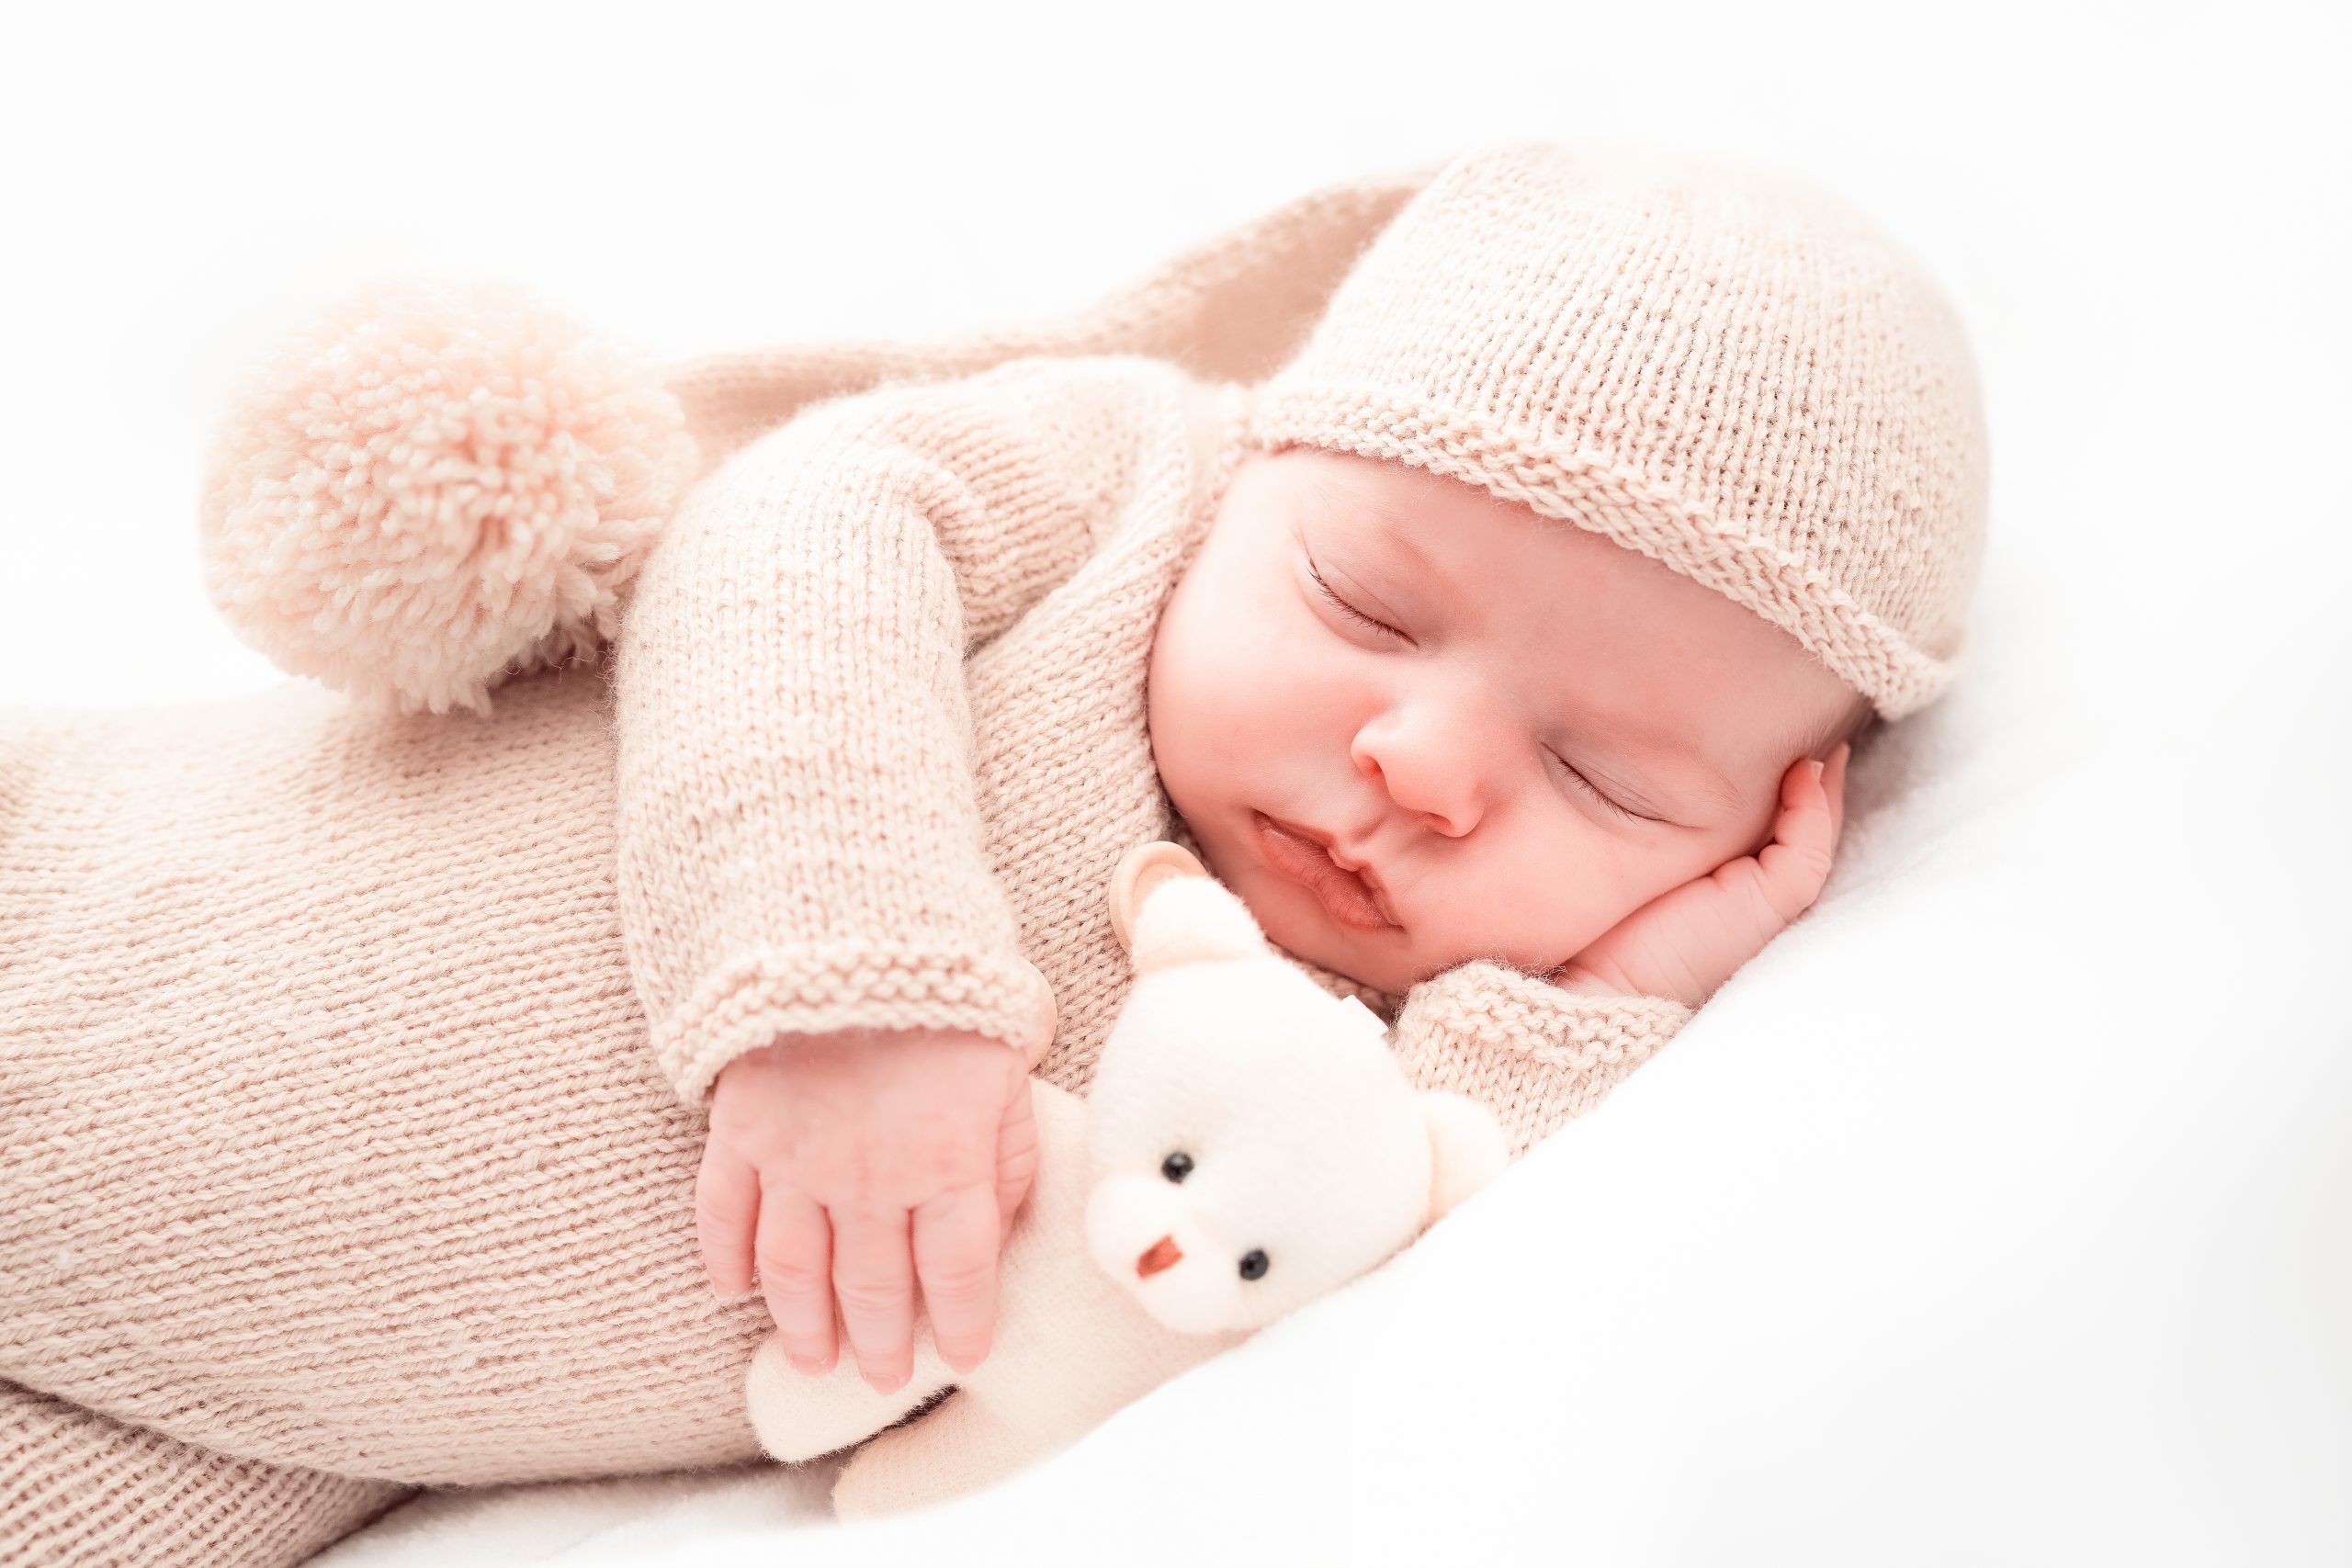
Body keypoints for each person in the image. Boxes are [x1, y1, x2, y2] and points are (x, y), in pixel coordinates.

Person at [0, 139, 1985, 1564]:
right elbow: (804, 521)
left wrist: (1604, 1005)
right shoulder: (1132, 491)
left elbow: (1350, 1253)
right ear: (1266, 458)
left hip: (208, 1412)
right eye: (1367, 605)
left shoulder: (1367, 1057)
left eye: (1607, 781)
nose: (1425, 765)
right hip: (76, 893)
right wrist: (848, 983)